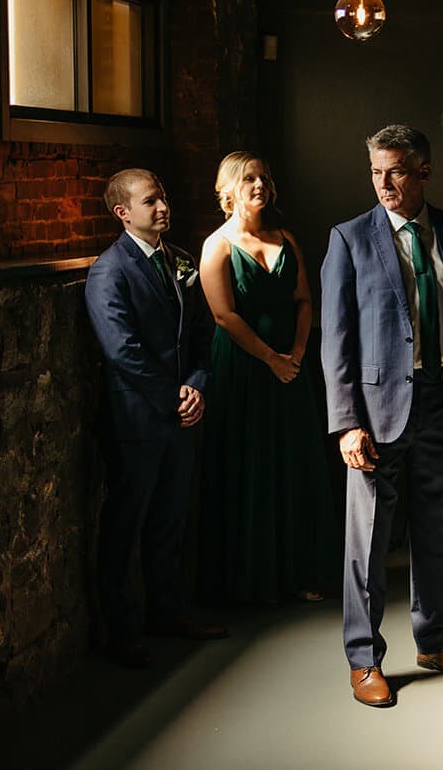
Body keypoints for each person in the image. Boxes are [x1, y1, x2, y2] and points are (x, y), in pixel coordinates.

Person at [319, 124, 443, 709]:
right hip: (375, 412)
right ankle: (364, 657)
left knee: (435, 529)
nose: (384, 183)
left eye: (395, 171)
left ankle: (433, 639)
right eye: (375, 171)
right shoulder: (348, 239)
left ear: (423, 171)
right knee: (367, 539)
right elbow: (335, 339)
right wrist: (345, 422)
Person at [84, 168, 227, 669]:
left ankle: (167, 613)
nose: (163, 207)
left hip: (180, 415)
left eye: (162, 197)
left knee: (170, 521)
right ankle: (121, 633)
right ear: (123, 213)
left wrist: (197, 387)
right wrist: (172, 397)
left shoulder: (181, 261)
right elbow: (121, 351)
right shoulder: (109, 271)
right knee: (126, 525)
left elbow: (202, 336)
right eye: (151, 201)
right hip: (136, 422)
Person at [197, 152, 339, 605]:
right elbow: (223, 316)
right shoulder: (216, 246)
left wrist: (296, 353)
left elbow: (303, 300)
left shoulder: (285, 239)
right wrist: (269, 359)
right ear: (229, 188)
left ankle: (303, 571)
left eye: (263, 176)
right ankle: (254, 580)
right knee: (251, 461)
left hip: (291, 364)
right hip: (243, 366)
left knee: (295, 461)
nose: (259, 184)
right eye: (248, 178)